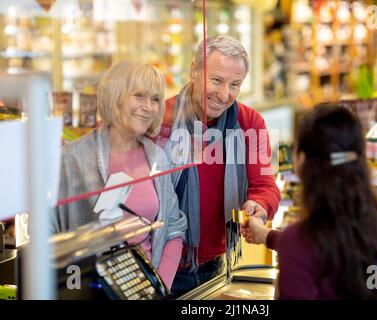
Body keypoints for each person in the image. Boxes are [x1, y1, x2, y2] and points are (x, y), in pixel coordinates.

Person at [157, 35, 281, 296]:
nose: (224, 95)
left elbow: (265, 185)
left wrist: (258, 206)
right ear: (194, 71)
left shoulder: (250, 122)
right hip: (157, 261)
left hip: (215, 265)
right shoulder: (160, 120)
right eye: (216, 80)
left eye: (234, 84)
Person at [52, 59, 187, 289]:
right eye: (139, 95)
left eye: (155, 99)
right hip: (88, 288)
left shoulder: (157, 157)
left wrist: (159, 285)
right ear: (115, 96)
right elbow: (49, 237)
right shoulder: (73, 158)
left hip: (145, 289)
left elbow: (173, 227)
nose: (149, 107)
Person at [241, 104, 377, 299]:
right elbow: (327, 247)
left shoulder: (298, 242)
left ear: (302, 159)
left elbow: (306, 248)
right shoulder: (376, 225)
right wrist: (266, 235)